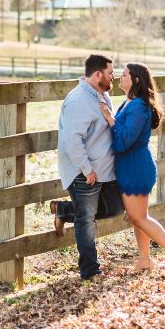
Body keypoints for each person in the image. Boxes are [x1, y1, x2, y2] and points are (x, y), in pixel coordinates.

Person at [99, 62, 165, 272]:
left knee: (139, 217)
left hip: (136, 167)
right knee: (138, 216)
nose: (119, 78)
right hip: (129, 166)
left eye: (124, 75)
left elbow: (124, 140)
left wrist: (110, 120)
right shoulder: (129, 103)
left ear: (136, 80)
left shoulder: (139, 106)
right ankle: (144, 259)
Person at [51, 54, 125, 280]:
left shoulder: (102, 94)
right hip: (85, 171)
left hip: (105, 169)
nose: (114, 76)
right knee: (86, 220)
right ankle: (90, 271)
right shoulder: (79, 100)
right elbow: (72, 140)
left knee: (115, 208)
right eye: (111, 73)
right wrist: (86, 168)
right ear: (98, 74)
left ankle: (63, 210)